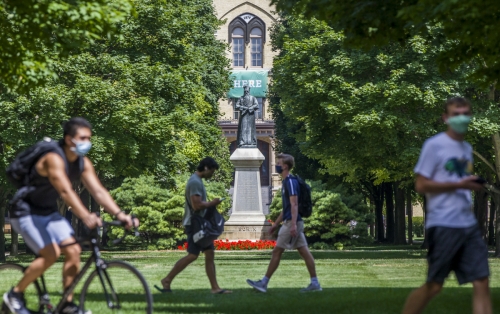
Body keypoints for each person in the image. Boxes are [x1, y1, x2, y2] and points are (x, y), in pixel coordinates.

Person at [3, 117, 138, 314]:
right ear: (69, 139)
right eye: (82, 138)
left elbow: (98, 191)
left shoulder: (82, 163)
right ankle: (14, 295)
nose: (87, 142)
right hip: (25, 211)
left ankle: (67, 305)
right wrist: (85, 215)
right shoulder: (53, 158)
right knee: (51, 254)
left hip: (48, 211)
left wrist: (121, 214)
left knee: (74, 250)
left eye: (89, 138)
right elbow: (66, 192)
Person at [402, 97, 492, 314]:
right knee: (434, 286)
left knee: (481, 281)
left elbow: (458, 180)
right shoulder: (434, 145)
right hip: (444, 224)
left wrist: (470, 184)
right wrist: (458, 184)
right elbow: (421, 184)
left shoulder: (466, 147)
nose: (461, 118)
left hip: (467, 224)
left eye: (465, 113)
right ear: (445, 118)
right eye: (455, 114)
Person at [155, 157, 232, 294]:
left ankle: (215, 288)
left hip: (200, 225)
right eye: (212, 171)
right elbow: (196, 205)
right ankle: (167, 280)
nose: (212, 175)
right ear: (206, 168)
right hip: (195, 225)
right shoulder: (195, 182)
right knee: (192, 255)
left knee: (209, 254)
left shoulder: (197, 181)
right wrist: (212, 203)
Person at [246, 153, 321, 293]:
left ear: (285, 166)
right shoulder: (286, 182)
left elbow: (294, 205)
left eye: (279, 163)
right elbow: (286, 208)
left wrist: (292, 225)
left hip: (291, 223)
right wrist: (275, 224)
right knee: (304, 252)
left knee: (277, 251)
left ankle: (264, 283)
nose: (277, 165)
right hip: (291, 222)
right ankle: (315, 283)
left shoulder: (291, 182)